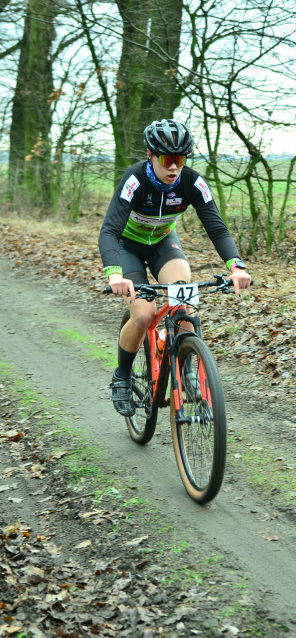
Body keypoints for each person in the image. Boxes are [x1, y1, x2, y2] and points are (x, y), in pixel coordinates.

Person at [99, 118, 251, 417]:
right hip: (128, 248)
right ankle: (123, 376)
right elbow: (109, 231)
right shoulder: (134, 180)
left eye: (180, 160)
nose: (174, 168)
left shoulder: (192, 182)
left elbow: (217, 228)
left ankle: (187, 369)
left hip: (163, 244)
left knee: (184, 300)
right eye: (167, 160)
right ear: (150, 155)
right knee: (143, 314)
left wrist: (236, 266)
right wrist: (114, 272)